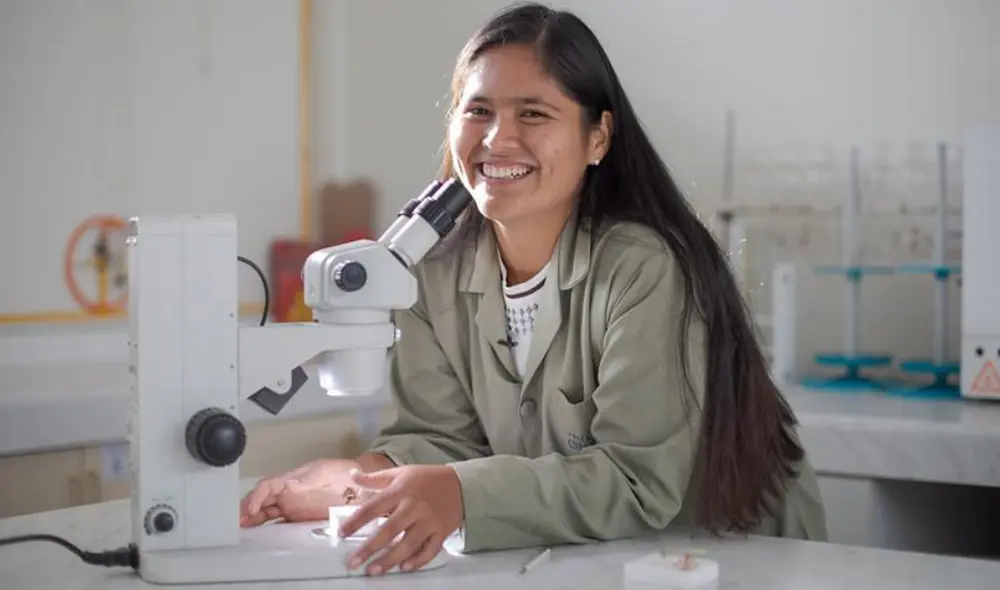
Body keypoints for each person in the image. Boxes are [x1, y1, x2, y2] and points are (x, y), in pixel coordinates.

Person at [240, 1, 827, 576]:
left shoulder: (641, 268)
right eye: (478, 111)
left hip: (728, 554)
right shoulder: (428, 273)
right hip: (597, 560)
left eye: (534, 114)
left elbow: (634, 480)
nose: (498, 139)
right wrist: (356, 481)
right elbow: (443, 441)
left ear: (598, 138)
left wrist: (460, 496)